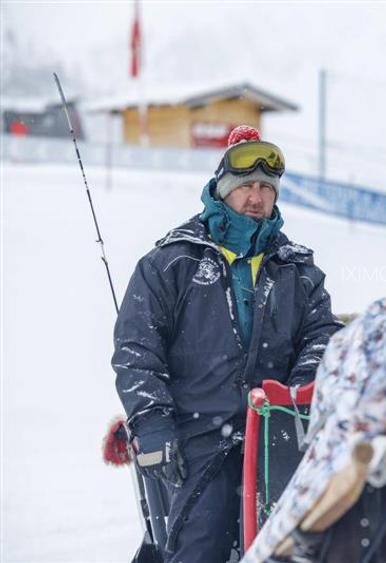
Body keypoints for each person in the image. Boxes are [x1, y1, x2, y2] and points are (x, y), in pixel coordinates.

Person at [112, 125, 342, 562]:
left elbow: (322, 336)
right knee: (200, 548)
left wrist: (294, 398)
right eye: (246, 187)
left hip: (280, 444)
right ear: (223, 190)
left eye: (266, 188)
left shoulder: (298, 269)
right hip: (198, 442)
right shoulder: (172, 262)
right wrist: (154, 423)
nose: (256, 198)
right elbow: (136, 348)